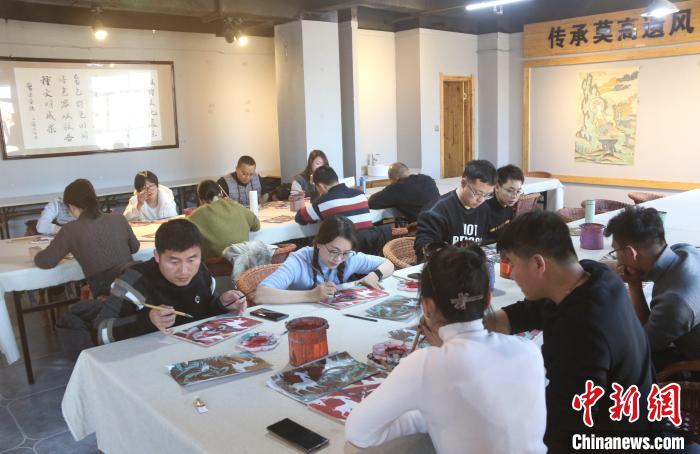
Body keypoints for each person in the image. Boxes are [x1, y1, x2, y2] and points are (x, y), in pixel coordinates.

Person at [345, 243, 547, 453]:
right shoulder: (528, 351)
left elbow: (358, 433)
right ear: (488, 299)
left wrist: (425, 416)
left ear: (427, 307)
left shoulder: (424, 365)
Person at [484, 211, 656, 452]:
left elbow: (566, 423)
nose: (511, 274)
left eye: (512, 264)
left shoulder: (582, 329)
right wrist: (468, 324)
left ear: (538, 264)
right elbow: (528, 312)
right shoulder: (593, 275)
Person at [93, 219, 247, 344]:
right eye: (174, 262)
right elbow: (100, 332)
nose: (184, 271)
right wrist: (148, 320)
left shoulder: (201, 271)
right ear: (157, 256)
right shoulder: (135, 282)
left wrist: (221, 303)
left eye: (192, 259)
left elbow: (204, 310)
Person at [605, 206, 700, 370]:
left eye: (616, 251)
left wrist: (634, 286)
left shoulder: (674, 302)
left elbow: (643, 346)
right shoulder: (685, 251)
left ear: (631, 253)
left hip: (689, 362)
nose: (617, 258)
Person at [33, 179, 140, 296]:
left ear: (72, 206)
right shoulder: (118, 218)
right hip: (137, 285)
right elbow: (135, 247)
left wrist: (35, 253)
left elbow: (46, 262)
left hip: (109, 293)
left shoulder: (70, 229)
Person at [256, 215, 394, 304]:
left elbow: (388, 263)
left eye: (344, 253)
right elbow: (261, 294)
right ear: (319, 243)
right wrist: (310, 296)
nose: (338, 259)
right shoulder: (299, 260)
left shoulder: (350, 257)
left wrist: (373, 276)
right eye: (333, 251)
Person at [414, 160, 497, 261]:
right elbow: (424, 252)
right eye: (478, 193)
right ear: (463, 183)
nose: (481, 200)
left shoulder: (484, 209)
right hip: (443, 267)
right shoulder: (435, 212)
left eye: (488, 195)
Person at [188, 180, 260, 260]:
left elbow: (184, 232)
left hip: (214, 264)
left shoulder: (197, 215)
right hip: (243, 261)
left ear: (201, 199)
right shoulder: (237, 206)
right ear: (221, 193)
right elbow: (256, 226)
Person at [295, 166, 373, 230]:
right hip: (368, 242)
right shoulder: (360, 195)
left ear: (321, 186)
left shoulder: (323, 202)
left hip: (345, 244)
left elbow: (299, 217)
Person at [367, 162, 440, 222]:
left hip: (423, 229)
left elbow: (372, 202)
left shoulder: (396, 188)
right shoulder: (427, 179)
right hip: (442, 221)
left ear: (395, 178)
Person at [484, 164, 524, 242]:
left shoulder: (509, 206)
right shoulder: (484, 210)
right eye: (510, 191)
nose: (514, 196)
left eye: (518, 191)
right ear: (497, 187)